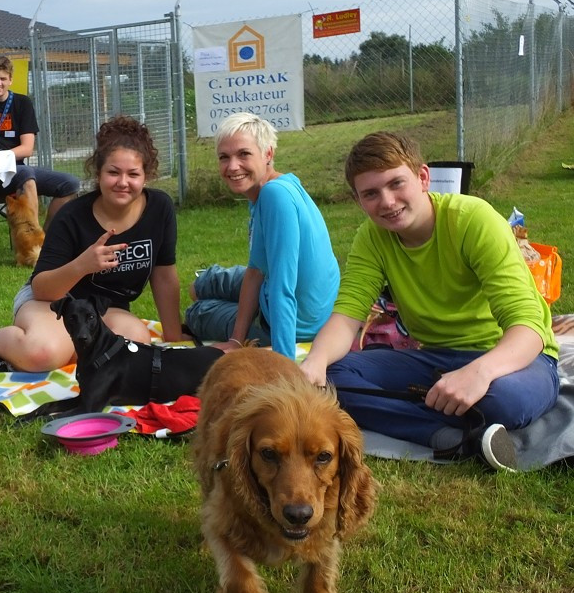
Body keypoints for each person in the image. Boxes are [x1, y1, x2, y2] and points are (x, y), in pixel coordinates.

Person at [300, 131, 559, 471]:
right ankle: (446, 435)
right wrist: (315, 363)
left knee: (504, 401)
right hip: (435, 358)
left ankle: (446, 420)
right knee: (332, 376)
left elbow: (528, 326)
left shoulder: (473, 220)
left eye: (396, 184)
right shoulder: (372, 237)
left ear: (423, 178)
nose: (388, 202)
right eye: (371, 194)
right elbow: (348, 315)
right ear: (359, 200)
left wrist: (479, 372)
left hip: (512, 358)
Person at [0, 115, 184, 373]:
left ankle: (5, 361)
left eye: (133, 174)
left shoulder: (159, 208)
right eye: (113, 172)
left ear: (147, 175)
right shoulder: (72, 216)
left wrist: (174, 336)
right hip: (51, 302)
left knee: (134, 345)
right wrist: (83, 265)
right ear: (98, 173)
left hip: (102, 311)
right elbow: (41, 287)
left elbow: (163, 274)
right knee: (44, 353)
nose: (123, 182)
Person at [184, 112, 339, 358]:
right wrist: (236, 339)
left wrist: (284, 362)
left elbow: (282, 286)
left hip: (295, 322)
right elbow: (256, 270)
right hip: (282, 292)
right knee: (202, 285)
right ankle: (217, 296)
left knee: (197, 312)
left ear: (268, 154)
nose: (232, 166)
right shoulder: (270, 189)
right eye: (224, 157)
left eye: (244, 154)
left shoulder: (274, 195)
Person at [0, 54, 79, 230]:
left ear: (10, 80)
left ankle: (44, 238)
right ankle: (31, 241)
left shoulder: (22, 103)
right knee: (26, 174)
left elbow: (27, 148)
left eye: (3, 79)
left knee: (70, 183)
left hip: (16, 168)